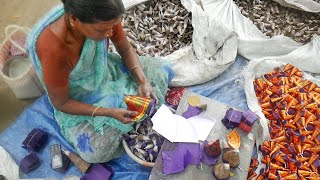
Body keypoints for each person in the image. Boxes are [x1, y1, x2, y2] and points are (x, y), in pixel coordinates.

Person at [27, 0, 174, 163]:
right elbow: (61, 103)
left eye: (113, 26)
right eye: (102, 30)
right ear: (74, 20)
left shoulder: (105, 15)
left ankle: (127, 117)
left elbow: (125, 49)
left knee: (161, 69)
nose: (110, 33)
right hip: (77, 97)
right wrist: (107, 112)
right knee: (96, 150)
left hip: (105, 70)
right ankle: (120, 120)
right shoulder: (54, 50)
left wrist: (142, 81)